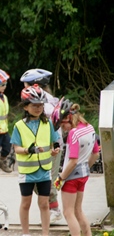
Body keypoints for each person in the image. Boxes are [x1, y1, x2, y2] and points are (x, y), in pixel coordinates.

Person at [10, 84, 60, 236]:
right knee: (26, 203)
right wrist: (28, 150)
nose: (38, 108)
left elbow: (54, 141)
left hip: (44, 171)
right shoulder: (19, 126)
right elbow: (16, 148)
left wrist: (55, 149)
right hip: (27, 173)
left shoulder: (47, 123)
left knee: (44, 204)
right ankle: (26, 233)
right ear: (26, 107)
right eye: (34, 105)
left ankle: (45, 233)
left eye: (40, 105)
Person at [20, 68, 63, 224]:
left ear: (35, 85)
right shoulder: (46, 99)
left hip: (50, 146)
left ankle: (55, 210)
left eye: (25, 85)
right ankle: (53, 208)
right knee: (43, 180)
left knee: (47, 179)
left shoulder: (46, 103)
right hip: (42, 147)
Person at [52, 98, 99, 236]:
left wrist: (60, 178)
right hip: (83, 174)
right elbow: (95, 154)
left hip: (71, 176)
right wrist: (85, 169)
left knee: (68, 212)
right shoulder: (90, 127)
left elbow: (72, 161)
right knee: (78, 210)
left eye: (62, 124)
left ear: (68, 117)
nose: (63, 128)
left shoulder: (74, 133)